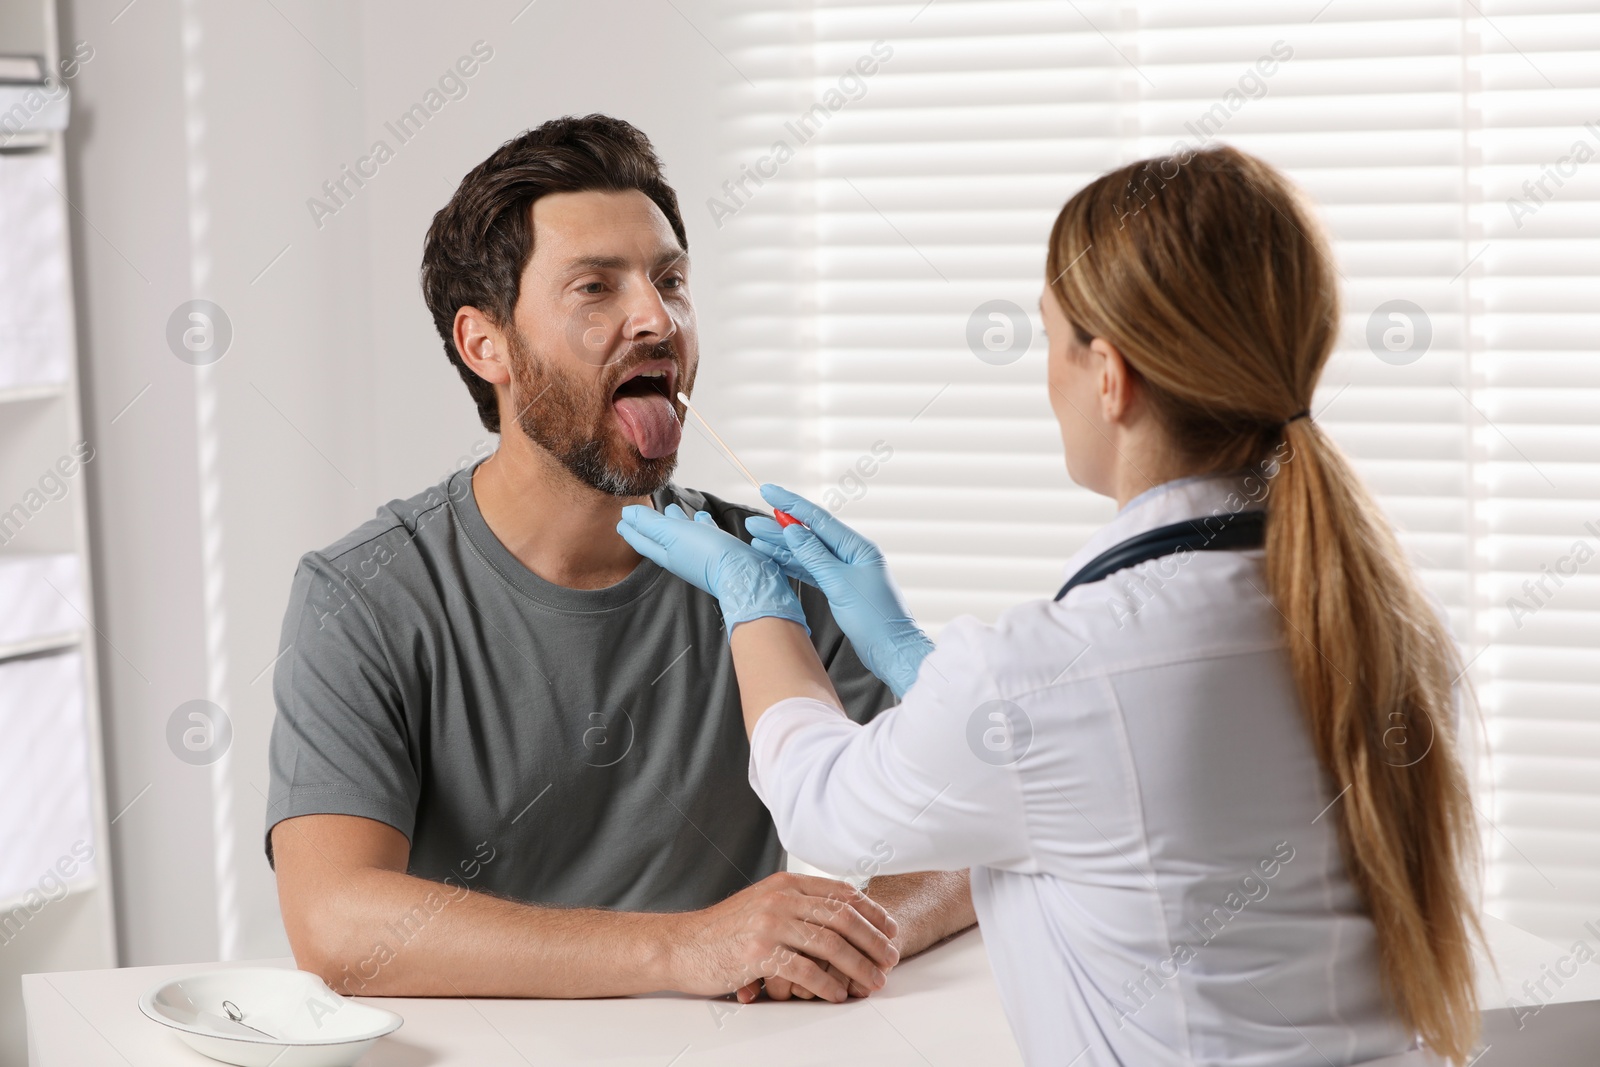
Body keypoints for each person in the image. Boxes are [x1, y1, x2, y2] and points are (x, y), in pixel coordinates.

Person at [618, 145, 1483, 1065]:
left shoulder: (1057, 673)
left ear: (1110, 375)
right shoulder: (1383, 620)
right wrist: (914, 658)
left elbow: (825, 806)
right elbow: (1109, 765)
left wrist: (756, 601)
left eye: (1051, 339)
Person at [265, 114, 974, 1006]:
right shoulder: (363, 596)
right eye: (596, 288)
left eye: (671, 280)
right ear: (485, 345)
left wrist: (850, 939)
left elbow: (974, 825)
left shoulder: (763, 574)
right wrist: (682, 950)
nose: (656, 318)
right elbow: (335, 921)